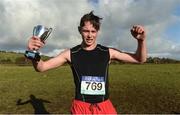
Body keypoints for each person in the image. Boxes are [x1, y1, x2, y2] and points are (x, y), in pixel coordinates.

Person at [26, 11, 147, 114]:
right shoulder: (70, 53)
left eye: (93, 31)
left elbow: (140, 59)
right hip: (81, 108)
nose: (89, 35)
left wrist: (141, 41)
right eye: (86, 31)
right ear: (80, 30)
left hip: (104, 107)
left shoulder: (108, 52)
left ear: (98, 31)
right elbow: (42, 67)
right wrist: (33, 52)